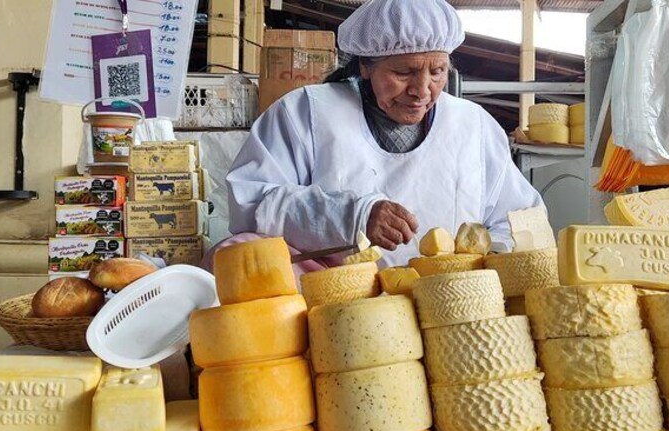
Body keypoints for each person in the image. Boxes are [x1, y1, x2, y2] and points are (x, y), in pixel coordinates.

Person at [224, 0, 544, 266]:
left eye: (437, 72)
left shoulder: (473, 126)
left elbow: (523, 221)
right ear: (366, 66)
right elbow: (251, 204)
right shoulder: (305, 113)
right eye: (404, 72)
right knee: (235, 250)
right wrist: (350, 217)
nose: (422, 91)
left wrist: (485, 259)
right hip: (329, 301)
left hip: (449, 306)